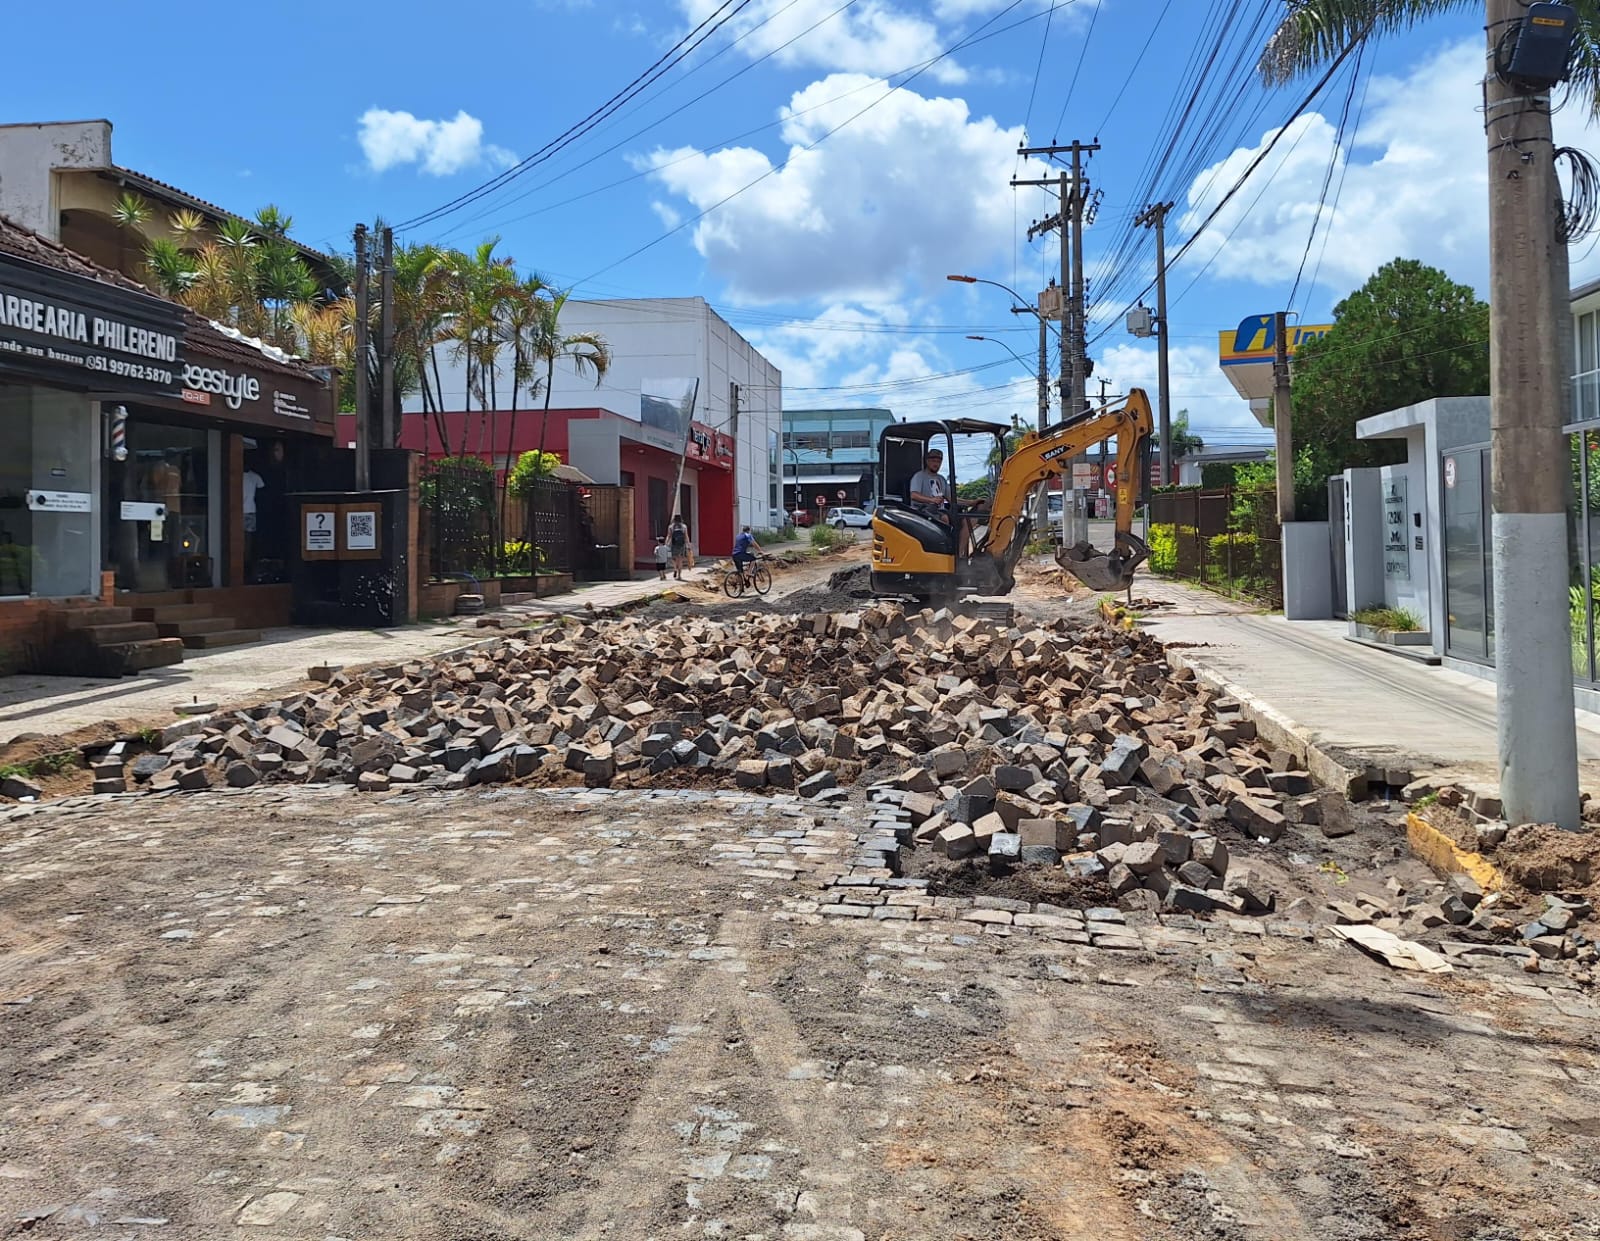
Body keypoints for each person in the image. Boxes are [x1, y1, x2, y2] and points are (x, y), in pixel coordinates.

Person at [908, 447, 980, 556]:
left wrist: (971, 503)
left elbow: (951, 498)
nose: (936, 464)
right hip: (923, 511)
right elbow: (914, 495)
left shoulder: (941, 479)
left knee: (968, 520)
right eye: (933, 461)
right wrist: (931, 500)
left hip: (939, 511)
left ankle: (959, 553)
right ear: (927, 461)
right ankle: (943, 552)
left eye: (938, 461)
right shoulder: (919, 477)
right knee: (945, 518)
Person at [668, 515, 690, 580]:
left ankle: (675, 568)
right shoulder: (684, 526)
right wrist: (688, 544)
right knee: (680, 560)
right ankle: (679, 576)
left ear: (674, 519)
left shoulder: (671, 527)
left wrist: (666, 543)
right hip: (681, 545)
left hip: (674, 545)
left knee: (674, 558)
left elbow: (669, 536)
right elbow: (686, 536)